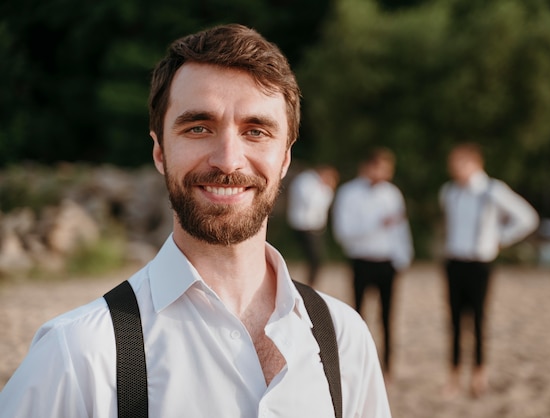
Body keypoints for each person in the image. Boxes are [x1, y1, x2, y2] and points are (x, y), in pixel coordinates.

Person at [0, 24, 391, 417]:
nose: (228, 159)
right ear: (159, 152)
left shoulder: (344, 339)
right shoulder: (77, 355)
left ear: (285, 157)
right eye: (199, 128)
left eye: (255, 131)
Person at [439, 142, 539, 397]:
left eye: (461, 162)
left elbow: (527, 218)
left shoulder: (492, 190)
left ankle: (478, 375)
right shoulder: (449, 192)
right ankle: (454, 374)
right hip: (454, 262)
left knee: (479, 319)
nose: (455, 168)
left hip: (480, 264)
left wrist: (500, 237)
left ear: (476, 163)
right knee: (454, 321)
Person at [332, 147, 414, 375]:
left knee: (388, 317)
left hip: (388, 263)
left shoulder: (393, 194)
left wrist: (404, 258)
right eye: (379, 167)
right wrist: (377, 224)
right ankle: (356, 365)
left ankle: (387, 368)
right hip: (361, 260)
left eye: (388, 169)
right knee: (357, 316)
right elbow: (343, 232)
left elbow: (401, 230)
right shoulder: (348, 193)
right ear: (367, 167)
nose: (383, 173)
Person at [286, 164, 339, 286]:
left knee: (315, 258)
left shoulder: (315, 183)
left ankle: (309, 282)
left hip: (315, 227)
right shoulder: (306, 181)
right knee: (316, 258)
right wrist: (326, 189)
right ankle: (309, 284)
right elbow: (312, 204)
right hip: (305, 226)